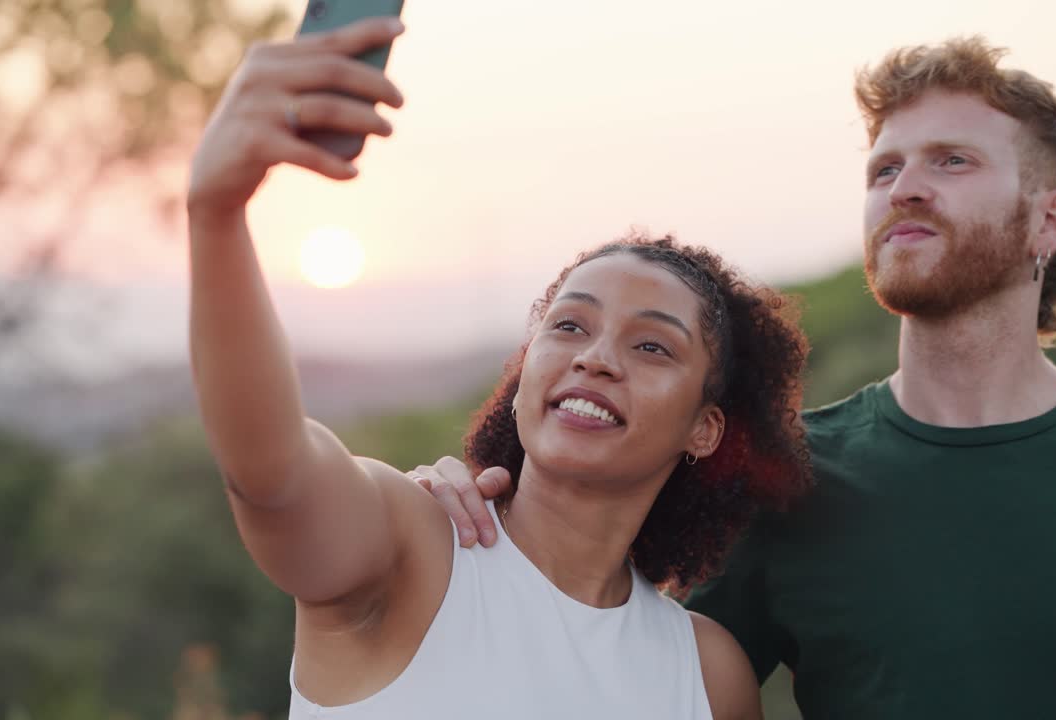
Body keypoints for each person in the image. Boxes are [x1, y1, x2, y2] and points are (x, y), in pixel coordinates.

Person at [420, 37, 1056, 719]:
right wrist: (455, 524)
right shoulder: (781, 483)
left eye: (952, 160)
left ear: (1050, 221)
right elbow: (601, 656)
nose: (904, 186)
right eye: (885, 168)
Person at [186, 17, 813, 719]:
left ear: (705, 427)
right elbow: (271, 472)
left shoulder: (708, 675)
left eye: (651, 347)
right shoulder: (407, 546)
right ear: (524, 375)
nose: (596, 357)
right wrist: (217, 216)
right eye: (569, 325)